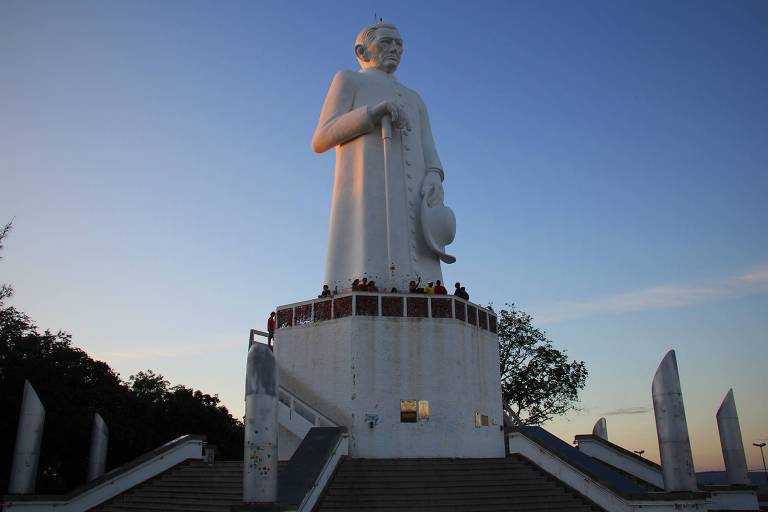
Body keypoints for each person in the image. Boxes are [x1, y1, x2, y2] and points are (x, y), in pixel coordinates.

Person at [313, 22, 454, 292]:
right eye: (387, 42)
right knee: (367, 250)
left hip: (416, 196)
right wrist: (372, 114)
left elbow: (428, 145)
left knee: (422, 265)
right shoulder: (349, 79)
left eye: (399, 44)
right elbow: (321, 138)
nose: (395, 49)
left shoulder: (415, 99)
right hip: (367, 189)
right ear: (361, 50)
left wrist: (435, 175)